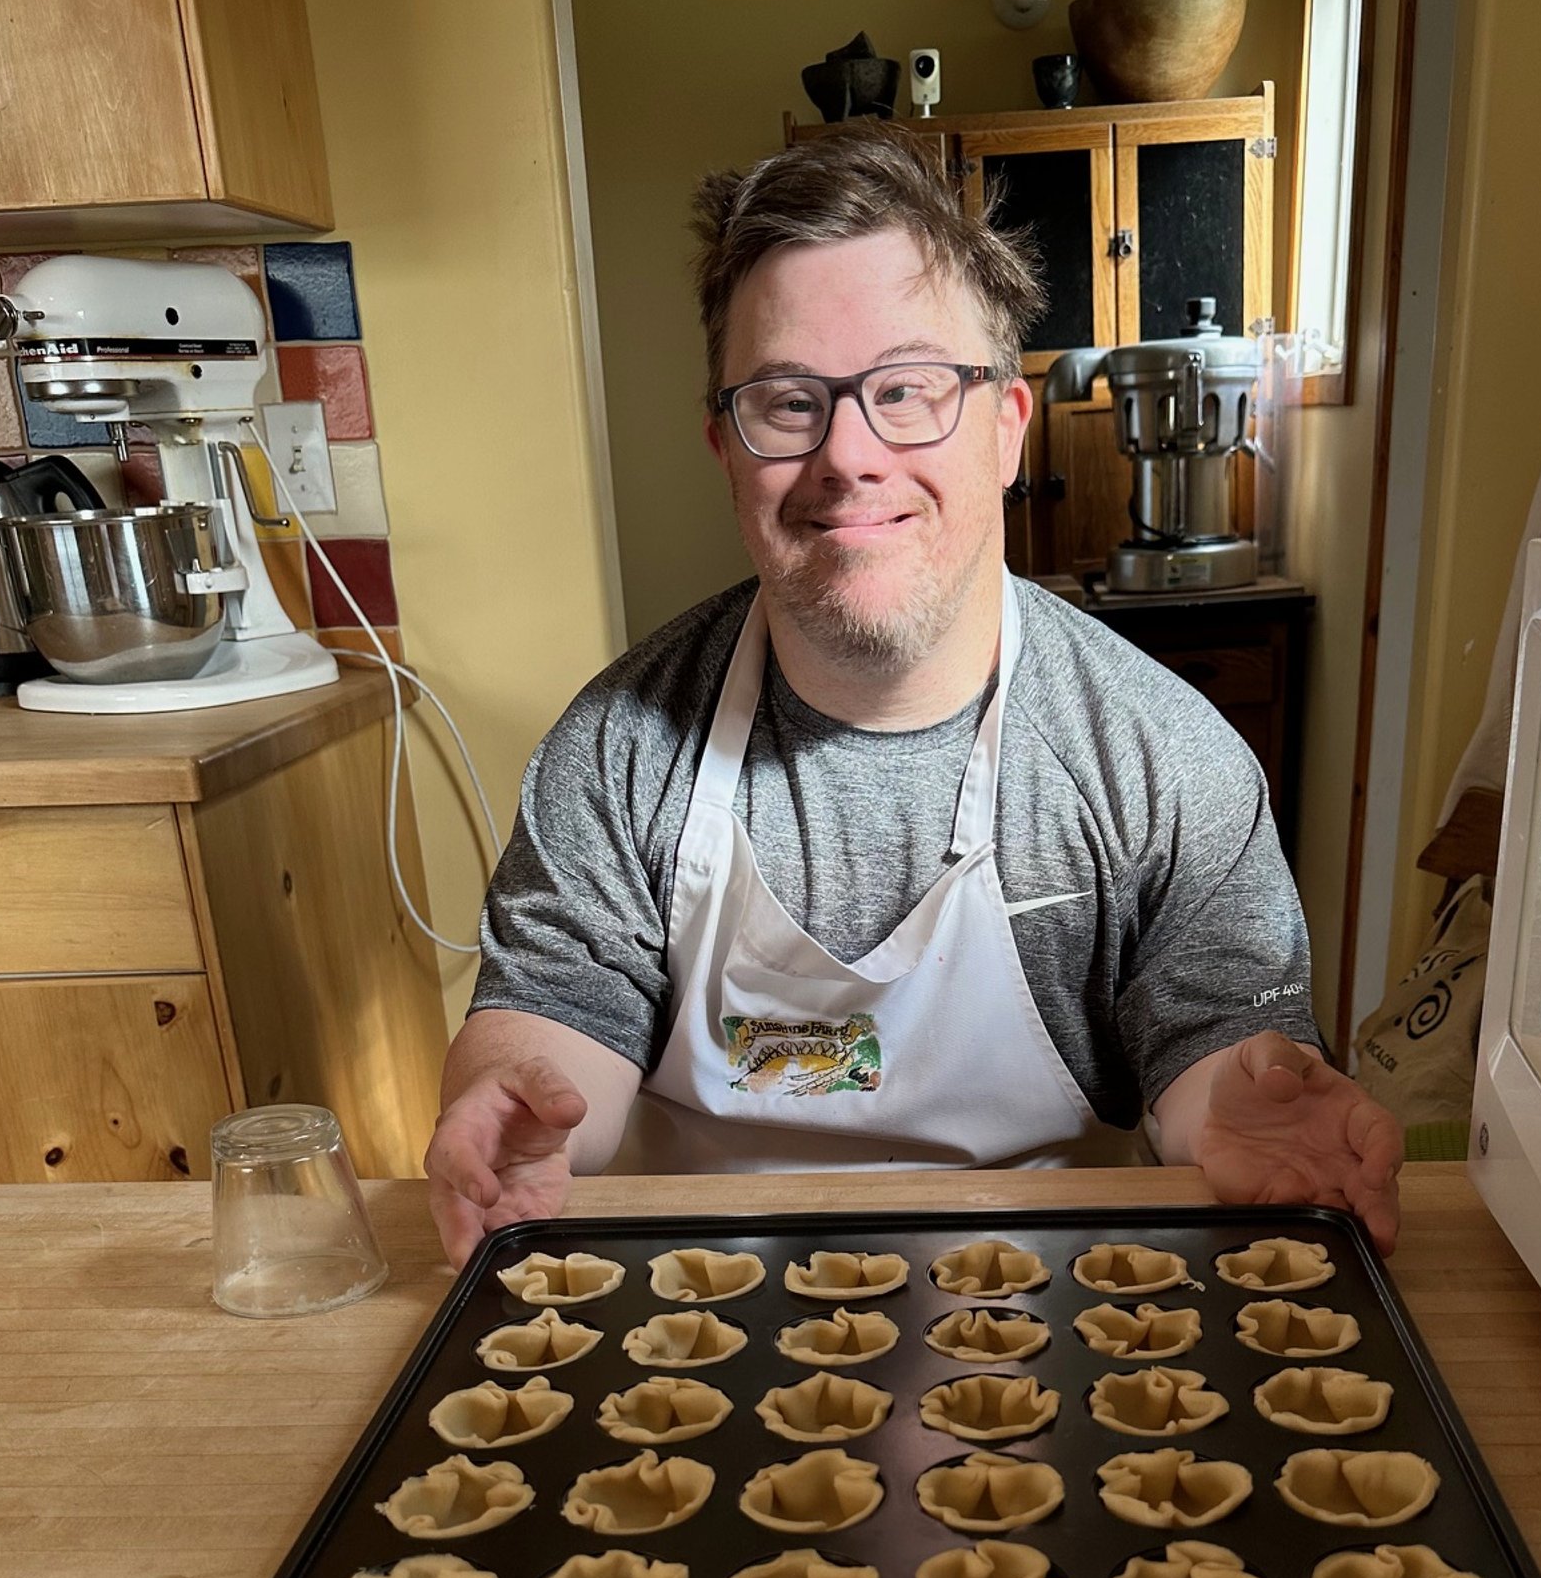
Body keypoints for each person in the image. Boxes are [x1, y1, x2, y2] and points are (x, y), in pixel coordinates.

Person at [426, 130, 1402, 1257]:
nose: (849, 456)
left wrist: (1241, 1099)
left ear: (1003, 426)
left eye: (907, 390)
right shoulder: (617, 752)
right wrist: (507, 1105)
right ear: (725, 448)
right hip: (699, 1342)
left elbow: (1215, 1044)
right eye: (790, 404)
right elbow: (551, 1012)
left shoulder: (1162, 760)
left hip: (1055, 1336)